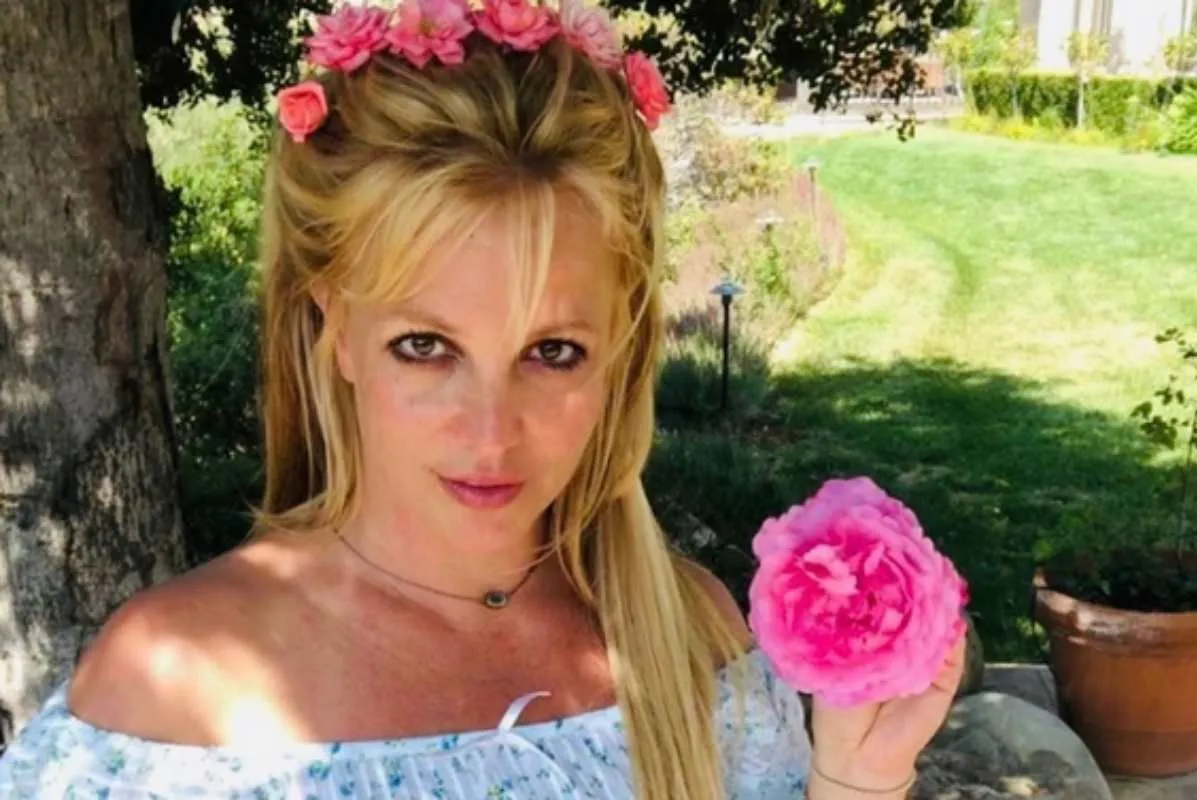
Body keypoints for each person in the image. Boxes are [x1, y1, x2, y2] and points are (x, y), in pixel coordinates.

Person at [0, 1, 964, 797]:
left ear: (621, 346)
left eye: (553, 351)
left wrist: (856, 783)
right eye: (425, 348)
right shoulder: (170, 696)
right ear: (335, 327)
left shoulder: (694, 640)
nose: (492, 431)